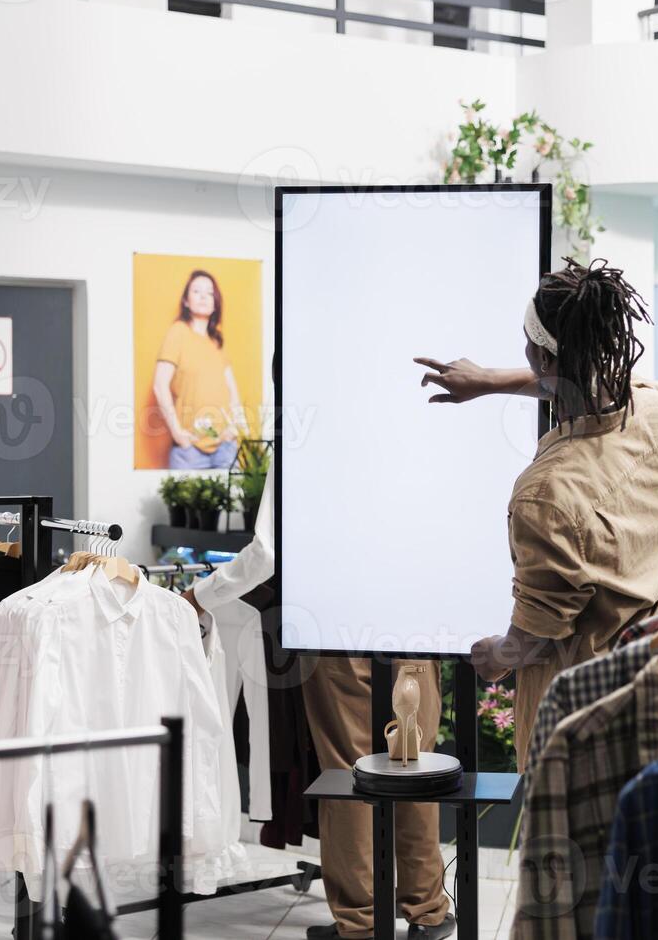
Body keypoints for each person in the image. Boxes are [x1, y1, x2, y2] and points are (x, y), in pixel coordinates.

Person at [184, 358, 453, 940]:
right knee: (413, 766)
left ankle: (360, 922)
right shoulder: (402, 432)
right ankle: (428, 912)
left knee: (353, 773)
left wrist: (203, 593)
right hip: (417, 624)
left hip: (339, 631)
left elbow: (266, 554)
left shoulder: (307, 441)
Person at [417, 258, 658, 768]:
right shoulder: (657, 410)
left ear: (540, 354)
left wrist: (495, 658)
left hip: (576, 727)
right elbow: (577, 381)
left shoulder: (545, 495)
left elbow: (536, 637)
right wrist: (491, 380)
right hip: (657, 687)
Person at [153, 270, 247, 469]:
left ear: (216, 303)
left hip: (225, 448)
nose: (204, 296)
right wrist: (178, 433)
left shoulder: (217, 341)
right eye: (196, 291)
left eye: (209, 293)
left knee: (234, 500)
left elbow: (233, 393)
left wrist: (234, 428)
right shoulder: (178, 332)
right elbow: (160, 385)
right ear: (186, 301)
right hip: (189, 451)